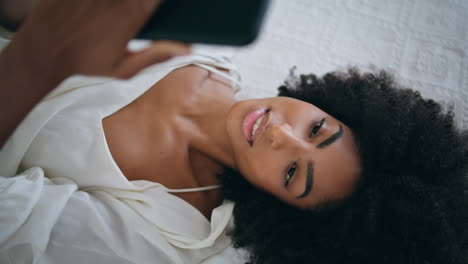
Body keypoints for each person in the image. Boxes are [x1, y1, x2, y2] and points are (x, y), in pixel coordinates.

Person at [0, 1, 467, 264]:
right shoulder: (216, 58)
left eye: (290, 174)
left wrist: (38, 59)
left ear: (279, 213)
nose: (281, 133)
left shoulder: (169, 229)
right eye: (318, 127)